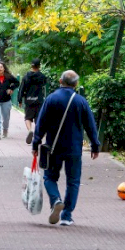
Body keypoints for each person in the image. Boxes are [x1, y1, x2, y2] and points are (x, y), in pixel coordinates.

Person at [32, 70, 100, 226]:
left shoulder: (51, 99)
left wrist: (36, 143)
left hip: (53, 147)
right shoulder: (81, 101)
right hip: (74, 148)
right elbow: (90, 125)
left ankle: (56, 199)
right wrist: (95, 145)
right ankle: (66, 216)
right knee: (73, 182)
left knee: (49, 177)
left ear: (60, 81)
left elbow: (41, 123)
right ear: (76, 84)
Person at [18, 59, 48, 144]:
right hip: (39, 100)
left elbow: (21, 88)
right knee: (38, 119)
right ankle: (38, 135)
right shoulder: (42, 76)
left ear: (31, 66)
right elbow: (44, 84)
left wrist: (20, 100)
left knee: (28, 118)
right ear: (39, 66)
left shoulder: (26, 76)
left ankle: (30, 130)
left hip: (29, 100)